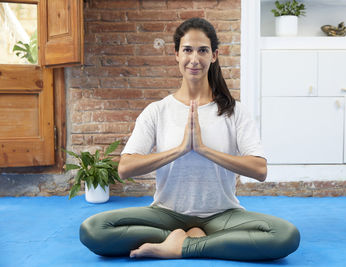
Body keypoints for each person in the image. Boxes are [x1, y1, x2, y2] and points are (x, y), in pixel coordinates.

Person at [79, 17, 300, 261]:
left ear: (214, 55)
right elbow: (125, 168)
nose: (194, 59)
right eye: (187, 50)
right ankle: (190, 238)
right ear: (176, 54)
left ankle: (178, 244)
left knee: (284, 235)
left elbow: (260, 170)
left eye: (203, 50)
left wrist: (204, 149)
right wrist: (181, 149)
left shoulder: (235, 111)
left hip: (222, 215)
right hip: (166, 213)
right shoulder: (157, 110)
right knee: (93, 230)